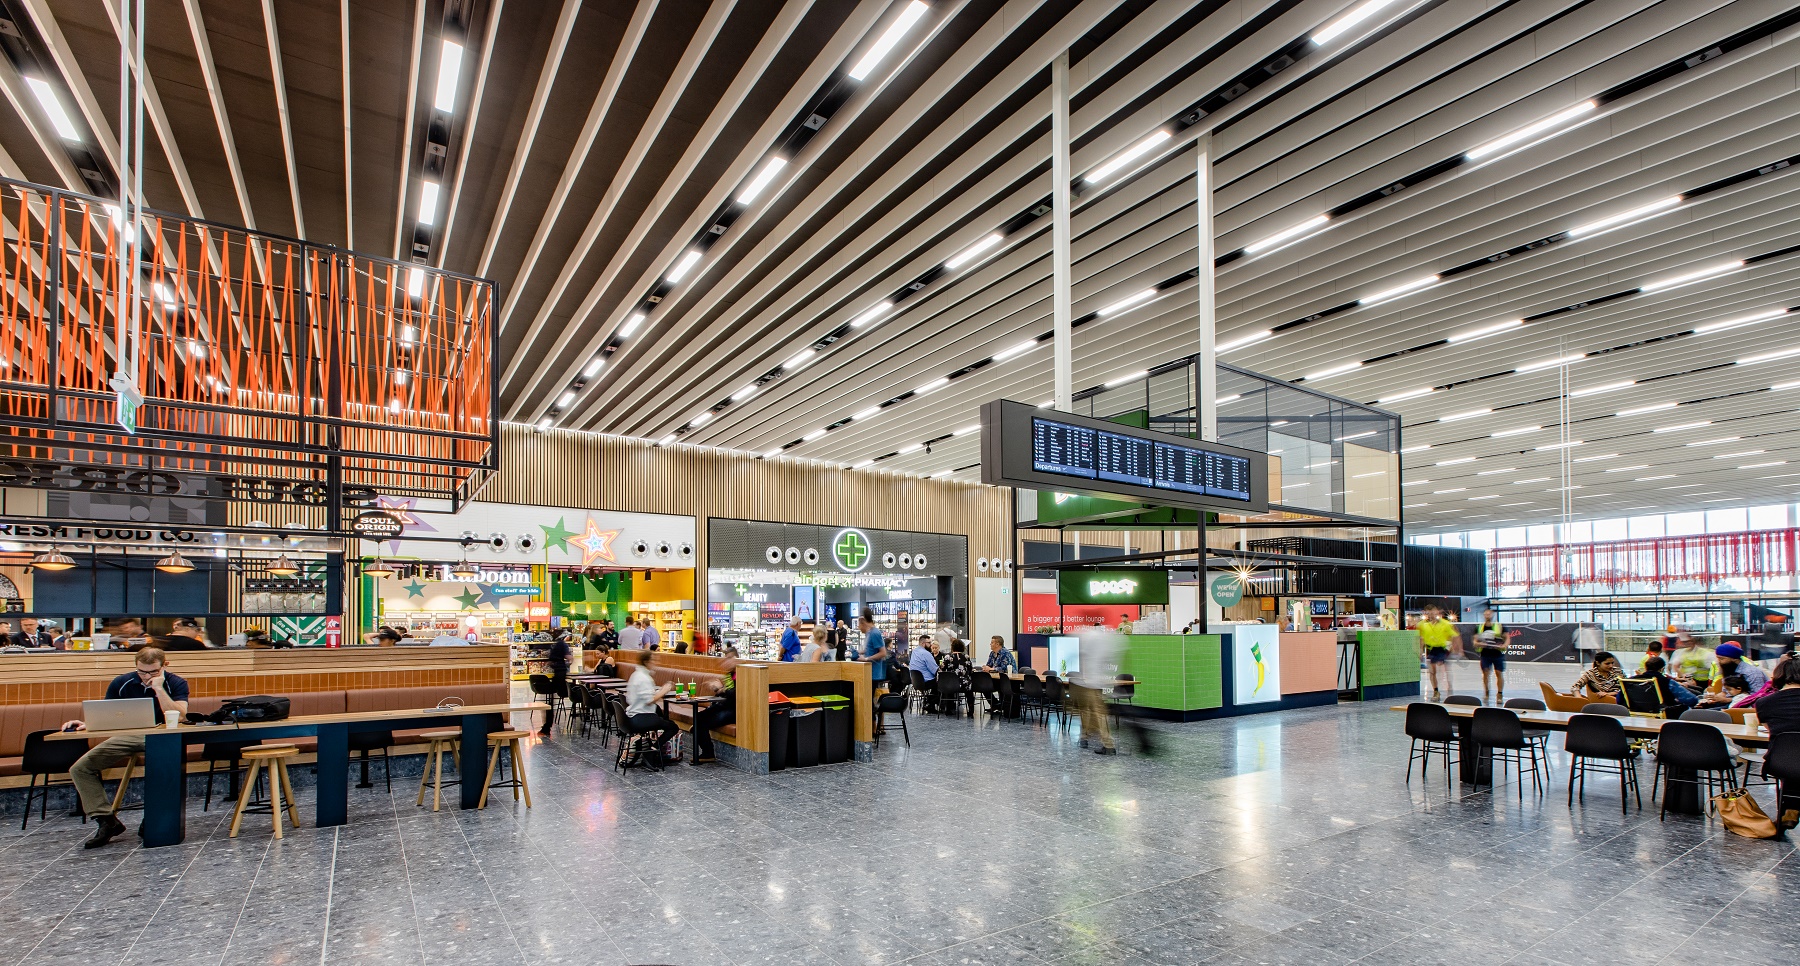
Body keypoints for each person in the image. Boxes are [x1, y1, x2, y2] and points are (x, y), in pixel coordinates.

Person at [66, 648, 189, 848]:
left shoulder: (176, 683)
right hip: (128, 736)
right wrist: (88, 723)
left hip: (165, 738)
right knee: (80, 768)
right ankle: (106, 820)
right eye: (142, 672)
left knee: (162, 764)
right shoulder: (122, 682)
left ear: (165, 665)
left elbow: (180, 715)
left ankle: (153, 818)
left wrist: (159, 689)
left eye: (153, 672)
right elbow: (108, 713)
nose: (147, 676)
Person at [1754, 657, 1800, 831]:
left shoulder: (1764, 703)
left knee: (1792, 756)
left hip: (1780, 761)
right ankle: (1791, 809)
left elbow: (1771, 729)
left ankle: (1790, 810)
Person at [1072, 627, 1121, 754]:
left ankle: (1104, 743)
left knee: (1090, 712)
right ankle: (1087, 737)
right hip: (1096, 683)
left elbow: (1083, 658)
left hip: (1089, 683)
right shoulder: (1104, 639)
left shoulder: (1088, 637)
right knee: (1095, 713)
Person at [624, 650, 677, 760]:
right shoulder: (643, 678)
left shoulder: (636, 674)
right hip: (641, 717)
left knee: (663, 719)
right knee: (673, 727)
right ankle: (651, 751)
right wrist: (664, 690)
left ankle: (651, 749)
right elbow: (649, 700)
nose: (656, 662)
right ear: (646, 661)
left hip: (631, 715)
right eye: (654, 660)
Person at [691, 656, 739, 764]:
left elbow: (737, 694)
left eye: (727, 659)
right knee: (698, 717)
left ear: (735, 659)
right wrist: (718, 690)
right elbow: (726, 694)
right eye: (723, 661)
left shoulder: (741, 674)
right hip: (724, 706)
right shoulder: (729, 676)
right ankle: (706, 750)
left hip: (735, 711)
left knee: (701, 723)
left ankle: (708, 753)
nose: (724, 663)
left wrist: (720, 689)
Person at [1416, 603, 1461, 702]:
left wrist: (1456, 649)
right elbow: (1421, 638)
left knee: (1441, 667)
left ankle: (1449, 686)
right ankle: (1436, 691)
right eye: (1429, 612)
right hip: (1431, 649)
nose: (1431, 614)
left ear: (1437, 612)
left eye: (1433, 612)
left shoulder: (1445, 624)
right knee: (1432, 672)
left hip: (1443, 648)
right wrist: (1420, 650)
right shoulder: (1421, 625)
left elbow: (1454, 635)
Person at [540, 630, 571, 738]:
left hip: (556, 674)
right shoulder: (563, 645)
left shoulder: (554, 645)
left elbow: (549, 661)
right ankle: (547, 726)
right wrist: (567, 664)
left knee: (550, 702)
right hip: (561, 674)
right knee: (562, 696)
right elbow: (570, 658)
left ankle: (547, 726)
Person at [1473, 608, 1507, 703]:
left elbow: (1507, 637)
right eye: (1486, 614)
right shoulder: (1479, 627)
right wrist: (1478, 644)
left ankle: (1499, 694)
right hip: (1485, 653)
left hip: (1497, 653)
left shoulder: (1499, 626)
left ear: (1492, 615)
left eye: (1489, 614)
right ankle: (1486, 693)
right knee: (1485, 673)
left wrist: (1504, 645)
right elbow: (1475, 640)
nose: (1487, 616)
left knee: (1499, 673)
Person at [856, 610, 889, 695]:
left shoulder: (875, 633)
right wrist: (861, 652)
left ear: (863, 622)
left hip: (873, 673)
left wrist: (866, 659)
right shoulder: (869, 633)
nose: (858, 627)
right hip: (869, 672)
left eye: (859, 624)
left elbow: (883, 653)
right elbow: (871, 649)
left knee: (869, 699)